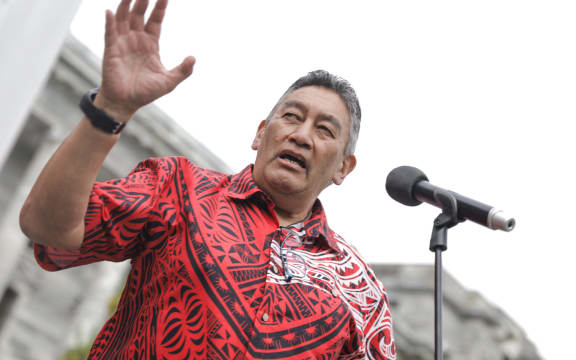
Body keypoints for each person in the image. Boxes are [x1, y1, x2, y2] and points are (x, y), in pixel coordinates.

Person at [20, 0, 396, 358]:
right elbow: (46, 228)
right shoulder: (178, 187)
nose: (301, 135)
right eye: (292, 117)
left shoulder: (360, 289)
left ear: (344, 168)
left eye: (325, 130)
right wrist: (109, 110)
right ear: (260, 134)